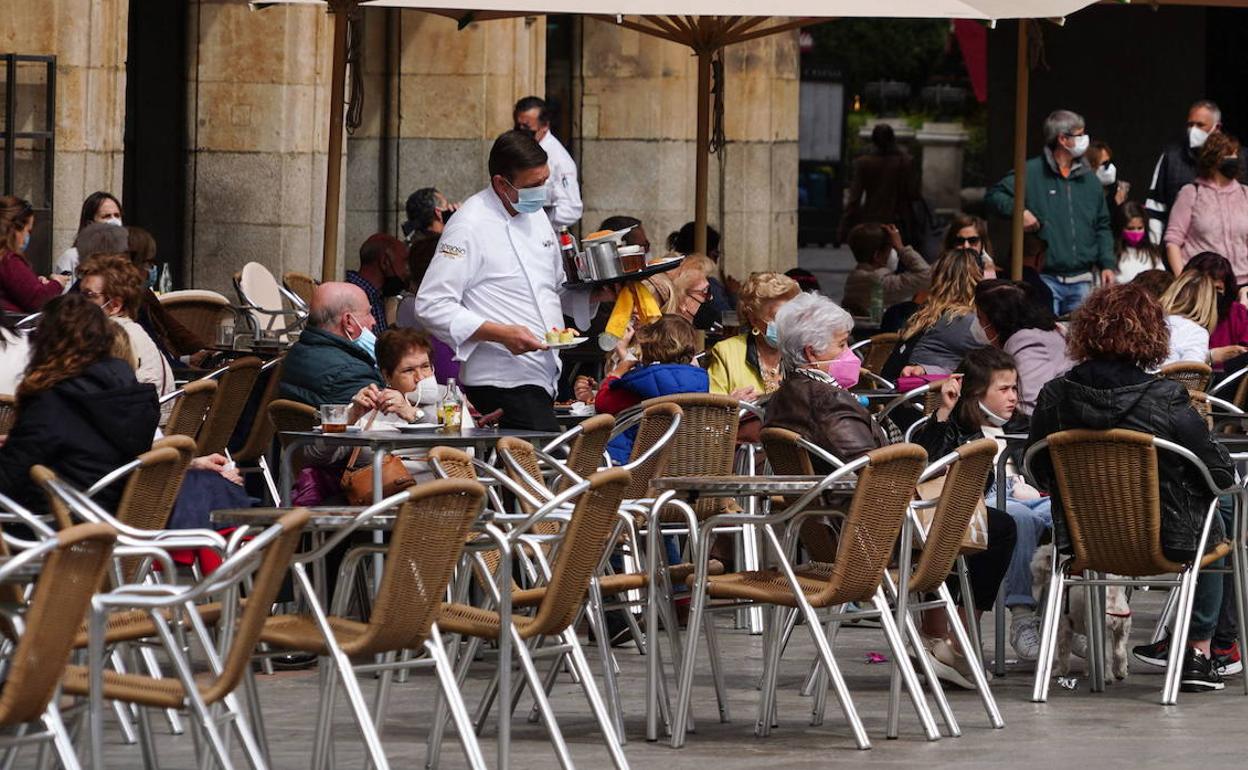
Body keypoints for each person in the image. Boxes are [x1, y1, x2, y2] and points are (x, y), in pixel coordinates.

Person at [1027, 282, 1238, 691]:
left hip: (1080, 543)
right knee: (1222, 511)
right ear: (1153, 335)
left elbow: (1036, 470)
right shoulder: (1167, 398)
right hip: (1166, 542)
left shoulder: (1055, 396)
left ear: (1085, 331)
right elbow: (1220, 474)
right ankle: (1198, 651)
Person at [412, 129, 603, 431]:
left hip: (544, 375)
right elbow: (431, 304)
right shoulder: (469, 225)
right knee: (546, 470)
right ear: (501, 183)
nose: (542, 191)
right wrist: (501, 334)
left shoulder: (538, 216)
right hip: (498, 379)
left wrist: (595, 296)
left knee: (540, 469)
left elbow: (552, 289)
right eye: (533, 185)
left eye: (545, 181)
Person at [913, 348, 1037, 666]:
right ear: (977, 393)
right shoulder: (954, 423)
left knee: (1031, 518)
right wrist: (944, 411)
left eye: (1015, 388)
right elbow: (926, 469)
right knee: (1006, 523)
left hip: (1013, 501)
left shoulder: (1020, 426)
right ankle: (960, 635)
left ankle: (1072, 623)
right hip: (950, 512)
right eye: (1004, 389)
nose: (1013, 397)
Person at [0, 293, 158, 514]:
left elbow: (7, 480)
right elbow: (79, 445)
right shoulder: (128, 392)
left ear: (48, 343)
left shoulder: (56, 400)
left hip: (47, 527)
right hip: (104, 520)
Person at [986, 109, 1114, 315]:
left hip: (1083, 279)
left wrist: (1107, 263)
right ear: (1062, 139)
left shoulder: (1090, 179)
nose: (1085, 140)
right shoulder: (1032, 172)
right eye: (1079, 135)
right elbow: (995, 196)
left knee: (1079, 343)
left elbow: (1102, 225)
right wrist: (1019, 212)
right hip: (1044, 278)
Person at [764, 292, 887, 468]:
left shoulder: (783, 394)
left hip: (814, 493)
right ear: (812, 353)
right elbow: (869, 468)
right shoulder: (829, 401)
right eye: (842, 344)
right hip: (864, 493)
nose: (849, 353)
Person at [595, 315, 708, 464]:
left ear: (650, 346)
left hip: (635, 467)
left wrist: (615, 375)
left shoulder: (639, 384)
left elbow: (602, 404)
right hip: (687, 466)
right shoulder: (700, 381)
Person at [76, 254, 176, 418]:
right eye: (79, 294)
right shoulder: (134, 330)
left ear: (114, 305)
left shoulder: (110, 337)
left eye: (88, 295)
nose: (78, 302)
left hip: (140, 433)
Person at [882, 248, 984, 381]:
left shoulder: (924, 313)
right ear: (978, 278)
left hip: (895, 391)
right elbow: (1000, 353)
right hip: (920, 397)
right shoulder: (963, 320)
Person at [973, 280, 1072, 414]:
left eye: (980, 319)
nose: (978, 325)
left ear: (997, 320)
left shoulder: (1028, 343)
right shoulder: (1041, 334)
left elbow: (1029, 407)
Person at [280, 282, 385, 408]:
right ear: (348, 321)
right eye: (368, 313)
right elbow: (382, 421)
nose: (373, 321)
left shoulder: (296, 353)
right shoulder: (352, 373)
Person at [1163, 132, 1248, 283]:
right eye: (1228, 155)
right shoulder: (1191, 193)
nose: (1234, 160)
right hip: (1203, 283)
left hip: (1243, 282)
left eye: (1235, 155)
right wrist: (1183, 281)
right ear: (1213, 160)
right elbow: (1173, 241)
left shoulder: (1245, 194)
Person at [705, 272, 800, 401]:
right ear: (753, 318)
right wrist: (731, 404)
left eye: (790, 316)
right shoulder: (727, 352)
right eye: (778, 317)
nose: (786, 324)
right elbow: (713, 412)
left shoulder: (802, 353)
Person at [125, 226, 210, 366]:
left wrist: (204, 351)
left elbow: (172, 327)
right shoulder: (130, 304)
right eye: (148, 263)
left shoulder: (145, 295)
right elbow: (154, 352)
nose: (151, 269)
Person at [1146, 99, 1224, 244]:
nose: (1193, 130)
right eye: (1190, 125)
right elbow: (1155, 207)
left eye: (1200, 125)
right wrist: (1155, 249)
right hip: (1179, 250)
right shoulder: (1171, 157)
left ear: (1217, 127)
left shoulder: (1236, 159)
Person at [838, 124, 918, 245]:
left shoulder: (864, 163)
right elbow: (913, 193)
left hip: (872, 220)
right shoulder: (905, 162)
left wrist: (845, 225)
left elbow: (854, 198)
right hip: (899, 219)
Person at [514, 96, 582, 227]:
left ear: (544, 126)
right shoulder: (520, 148)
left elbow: (572, 209)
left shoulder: (559, 160)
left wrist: (537, 217)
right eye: (518, 127)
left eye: (527, 128)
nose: (522, 132)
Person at [841, 222, 931, 317]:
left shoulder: (854, 278)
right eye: (890, 250)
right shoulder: (880, 283)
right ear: (877, 256)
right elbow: (927, 275)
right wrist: (901, 248)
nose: (893, 254)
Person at [1159, 271, 1245, 367]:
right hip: (1164, 381)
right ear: (1210, 303)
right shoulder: (1196, 332)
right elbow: (1191, 376)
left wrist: (1209, 355)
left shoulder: (1154, 320)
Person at [0, 196, 69, 312]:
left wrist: (34, 282)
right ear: (16, 229)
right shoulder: (8, 260)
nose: (27, 237)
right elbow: (37, 299)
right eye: (28, 231)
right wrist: (57, 283)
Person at [346, 233, 410, 333]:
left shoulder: (378, 297)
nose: (406, 271)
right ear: (385, 262)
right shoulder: (348, 294)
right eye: (403, 262)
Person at [670, 222, 735, 317]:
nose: (710, 297)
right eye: (715, 255)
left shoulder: (667, 276)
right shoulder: (710, 285)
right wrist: (734, 295)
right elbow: (727, 317)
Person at [54, 191, 123, 275]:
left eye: (117, 215)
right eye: (106, 216)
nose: (114, 221)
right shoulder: (72, 257)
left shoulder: (124, 257)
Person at [1115, 201, 1166, 283]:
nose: (1135, 232)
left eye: (1139, 228)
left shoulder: (1152, 254)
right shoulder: (1113, 256)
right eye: (1130, 228)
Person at [1086, 139, 1129, 230]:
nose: (1110, 168)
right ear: (1091, 166)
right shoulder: (1081, 192)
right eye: (1104, 164)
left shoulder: (1117, 190)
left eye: (1110, 162)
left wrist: (1119, 207)